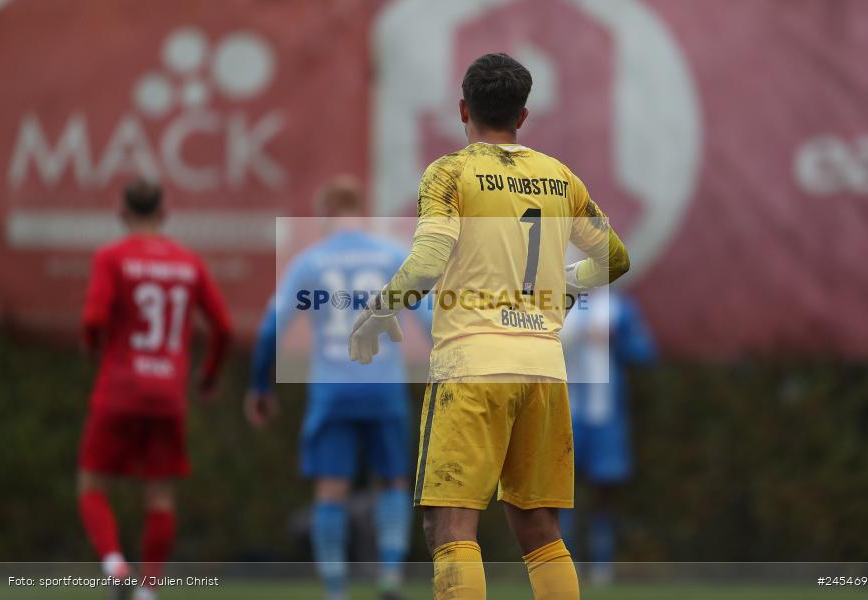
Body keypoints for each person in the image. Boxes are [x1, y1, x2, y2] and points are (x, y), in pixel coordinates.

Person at [348, 53, 630, 599]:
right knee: (540, 531)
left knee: (449, 528)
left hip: (472, 366)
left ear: (461, 110)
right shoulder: (560, 177)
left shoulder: (450, 172)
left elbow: (429, 259)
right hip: (544, 370)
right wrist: (569, 285)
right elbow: (615, 258)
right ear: (523, 117)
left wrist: (379, 311)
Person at [246, 176, 428, 600]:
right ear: (360, 211)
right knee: (393, 481)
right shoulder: (391, 256)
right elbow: (432, 319)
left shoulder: (310, 262)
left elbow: (272, 326)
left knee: (331, 487)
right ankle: (389, 578)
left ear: (325, 216)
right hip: (383, 386)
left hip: (332, 390)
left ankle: (335, 589)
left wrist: (259, 386)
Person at [78, 178, 232, 600]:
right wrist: (208, 375)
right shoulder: (189, 262)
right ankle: (149, 590)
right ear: (163, 214)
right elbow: (223, 326)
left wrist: (92, 349)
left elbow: (93, 317)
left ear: (123, 213)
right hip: (168, 393)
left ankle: (115, 566)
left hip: (119, 388)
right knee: (160, 494)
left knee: (92, 484)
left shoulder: (111, 256)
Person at [559, 289, 657, 585]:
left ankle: (603, 565)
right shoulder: (563, 306)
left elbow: (645, 351)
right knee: (562, 493)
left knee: (605, 493)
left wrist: (616, 338)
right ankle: (565, 564)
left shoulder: (619, 308)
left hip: (607, 417)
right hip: (569, 416)